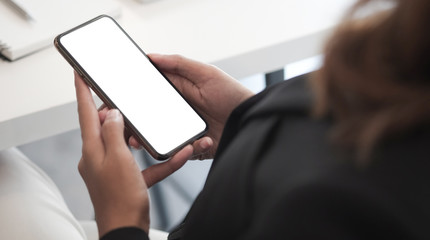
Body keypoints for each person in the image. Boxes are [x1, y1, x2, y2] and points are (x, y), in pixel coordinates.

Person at [1, 0, 429, 239]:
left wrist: (122, 221)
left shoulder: (344, 210)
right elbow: (332, 133)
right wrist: (247, 118)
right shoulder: (403, 65)